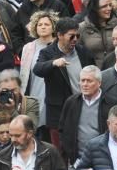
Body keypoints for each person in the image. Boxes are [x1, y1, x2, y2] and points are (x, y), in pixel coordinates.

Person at [32, 18, 94, 149]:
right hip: (58, 111)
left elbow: (93, 72)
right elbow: (37, 69)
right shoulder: (48, 53)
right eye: (71, 36)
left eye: (77, 35)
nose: (75, 39)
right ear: (59, 35)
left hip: (82, 106)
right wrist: (53, 63)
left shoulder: (83, 52)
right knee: (60, 151)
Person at [58, 65, 109, 165]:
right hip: (76, 160)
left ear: (99, 83)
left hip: (103, 161)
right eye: (82, 80)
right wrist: (70, 154)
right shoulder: (71, 102)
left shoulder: (109, 103)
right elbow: (62, 129)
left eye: (89, 81)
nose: (85, 84)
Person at [0, 115, 66, 170]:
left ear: (30, 133)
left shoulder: (49, 151)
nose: (13, 139)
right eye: (11, 135)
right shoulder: (1, 157)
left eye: (17, 136)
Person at [76, 0, 117, 67]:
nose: (109, 8)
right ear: (95, 8)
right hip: (93, 72)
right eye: (104, 6)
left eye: (110, 5)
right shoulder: (82, 28)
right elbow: (78, 52)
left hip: (116, 71)